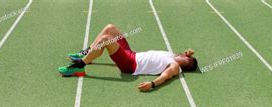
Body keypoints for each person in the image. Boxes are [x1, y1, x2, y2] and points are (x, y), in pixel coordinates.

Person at [58, 24, 198, 92]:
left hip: (130, 64)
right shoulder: (173, 56)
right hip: (131, 54)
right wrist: (188, 53)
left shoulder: (174, 66)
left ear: (186, 63)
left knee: (105, 40)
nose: (182, 54)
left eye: (185, 57)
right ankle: (88, 53)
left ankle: (79, 67)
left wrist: (152, 84)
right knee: (110, 28)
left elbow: (166, 77)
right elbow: (187, 53)